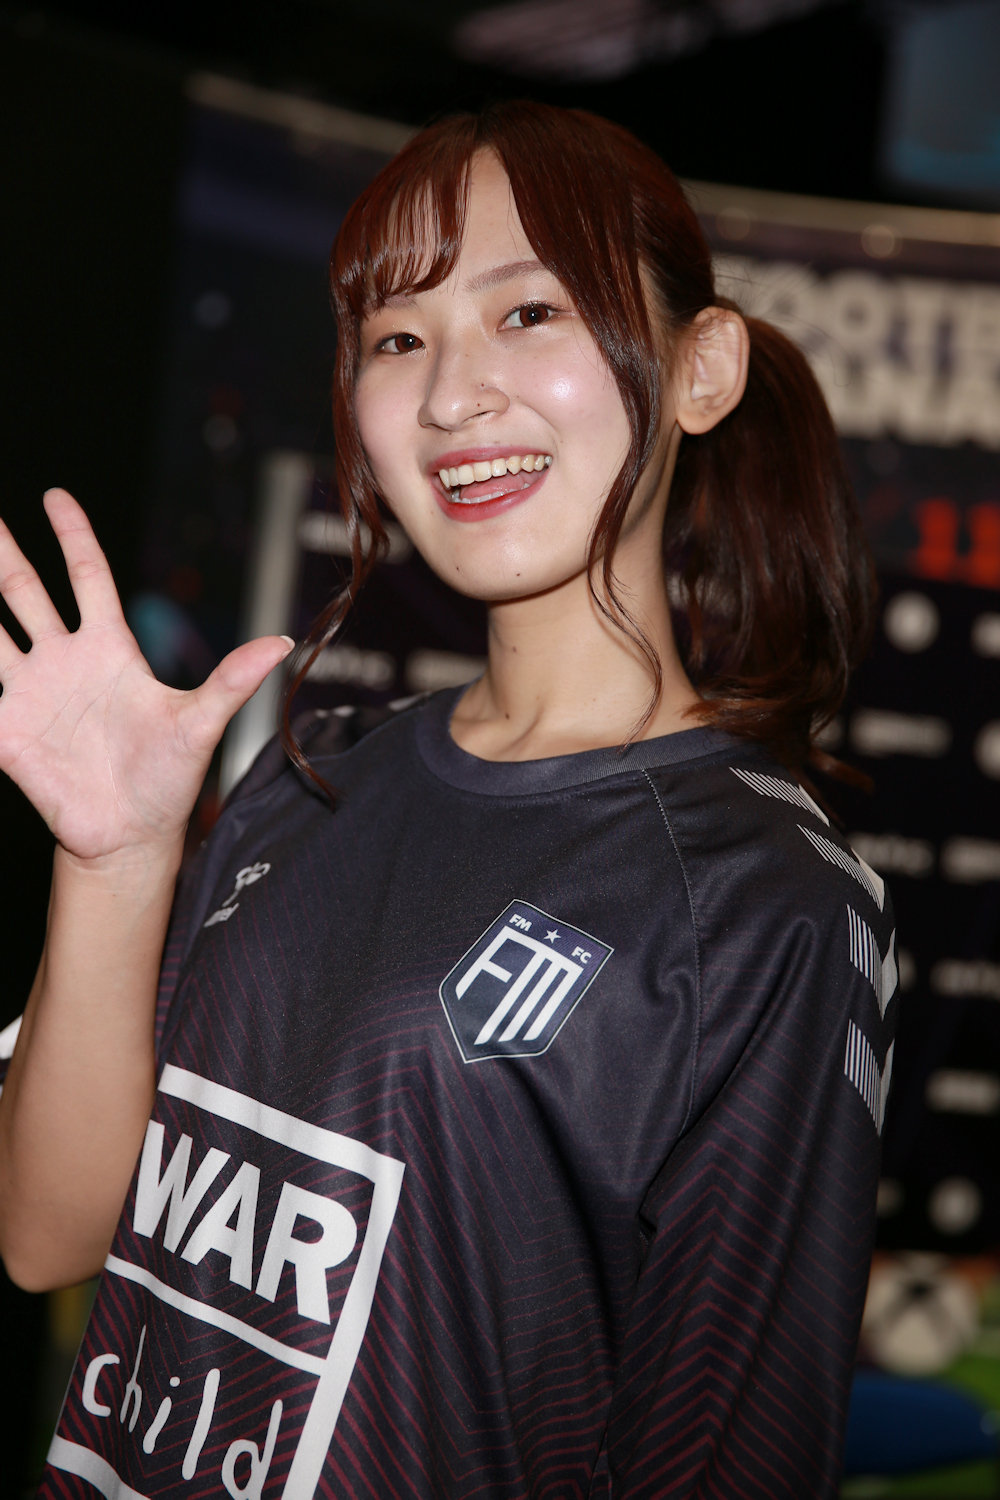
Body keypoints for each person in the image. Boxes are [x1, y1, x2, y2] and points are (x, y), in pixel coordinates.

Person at [0, 101, 896, 1498]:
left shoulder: (763, 897)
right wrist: (114, 858)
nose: (452, 396)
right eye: (397, 339)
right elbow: (50, 1236)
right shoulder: (310, 776)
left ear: (702, 366)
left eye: (528, 313)